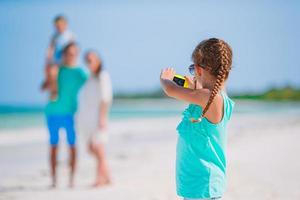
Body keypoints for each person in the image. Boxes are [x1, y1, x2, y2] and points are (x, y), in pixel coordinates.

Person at [160, 38, 235, 200]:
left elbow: (171, 90)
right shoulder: (215, 98)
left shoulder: (207, 97)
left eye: (193, 70)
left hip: (202, 183)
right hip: (200, 184)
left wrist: (165, 79)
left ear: (199, 70)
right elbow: (209, 92)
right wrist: (198, 85)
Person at [45, 42, 87, 188]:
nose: (71, 55)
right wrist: (51, 78)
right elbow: (43, 86)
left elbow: (92, 84)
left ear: (77, 54)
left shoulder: (81, 73)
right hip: (52, 113)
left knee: (73, 146)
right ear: (63, 54)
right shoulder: (57, 70)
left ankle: (71, 180)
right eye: (69, 53)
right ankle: (54, 180)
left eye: (74, 53)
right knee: (53, 146)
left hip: (70, 114)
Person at [78, 50, 113, 187]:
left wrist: (102, 118)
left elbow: (106, 98)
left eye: (91, 60)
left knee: (98, 148)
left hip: (98, 118)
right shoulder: (89, 77)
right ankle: (108, 176)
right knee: (90, 148)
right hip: (87, 119)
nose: (89, 63)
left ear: (98, 61)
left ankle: (100, 179)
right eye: (87, 60)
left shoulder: (103, 76)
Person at [42, 15, 75, 100]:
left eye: (60, 25)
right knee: (46, 67)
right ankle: (48, 81)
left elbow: (73, 48)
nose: (58, 28)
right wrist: (48, 56)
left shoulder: (69, 35)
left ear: (65, 25)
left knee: (53, 72)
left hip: (64, 59)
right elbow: (51, 48)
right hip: (56, 59)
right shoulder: (54, 36)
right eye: (56, 26)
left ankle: (54, 91)